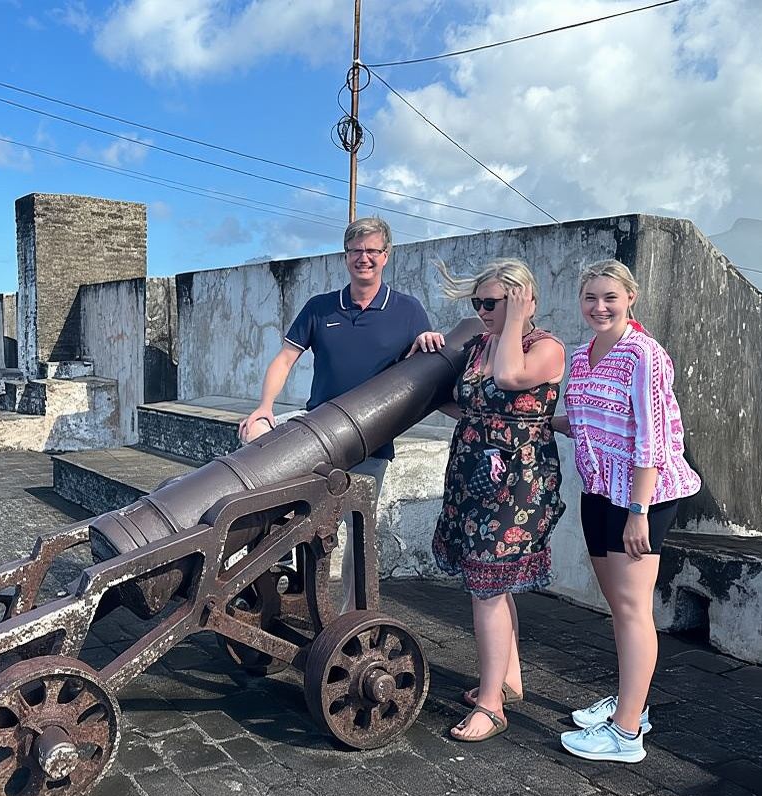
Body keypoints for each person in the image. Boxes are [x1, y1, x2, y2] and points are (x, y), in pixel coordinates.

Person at [237, 217, 430, 613]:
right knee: (298, 521)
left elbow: (424, 372)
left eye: (373, 251)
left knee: (358, 536)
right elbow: (285, 359)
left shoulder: (408, 312)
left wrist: (427, 342)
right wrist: (264, 407)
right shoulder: (320, 308)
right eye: (356, 251)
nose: (364, 258)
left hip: (370, 443)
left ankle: (351, 617)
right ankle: (290, 595)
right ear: (346, 257)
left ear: (386, 256)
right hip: (318, 436)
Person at [551, 259, 701, 763]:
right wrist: (520, 418)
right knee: (619, 606)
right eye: (590, 297)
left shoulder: (645, 355)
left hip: (644, 494)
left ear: (630, 298)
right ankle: (629, 700)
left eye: (609, 297)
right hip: (598, 490)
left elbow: (652, 439)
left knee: (634, 609)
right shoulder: (582, 352)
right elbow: (581, 421)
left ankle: (627, 732)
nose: (599, 307)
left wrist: (639, 509)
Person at [413, 258, 566, 742]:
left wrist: (515, 323)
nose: (481, 310)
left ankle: (492, 704)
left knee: (487, 584)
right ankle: (508, 680)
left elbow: (508, 380)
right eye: (477, 302)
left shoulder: (544, 347)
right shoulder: (481, 343)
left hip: (518, 478)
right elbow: (466, 400)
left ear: (524, 300)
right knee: (488, 583)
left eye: (492, 302)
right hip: (473, 468)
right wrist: (428, 349)